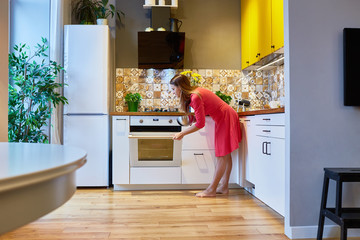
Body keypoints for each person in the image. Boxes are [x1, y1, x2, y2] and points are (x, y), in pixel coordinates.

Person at [170, 74, 242, 197]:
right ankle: (224, 187)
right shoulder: (194, 93)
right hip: (225, 116)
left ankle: (211, 190)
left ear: (180, 88)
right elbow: (201, 114)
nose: (172, 92)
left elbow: (200, 124)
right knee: (225, 154)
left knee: (221, 155)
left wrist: (182, 133)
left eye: (173, 89)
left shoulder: (195, 97)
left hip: (225, 118)